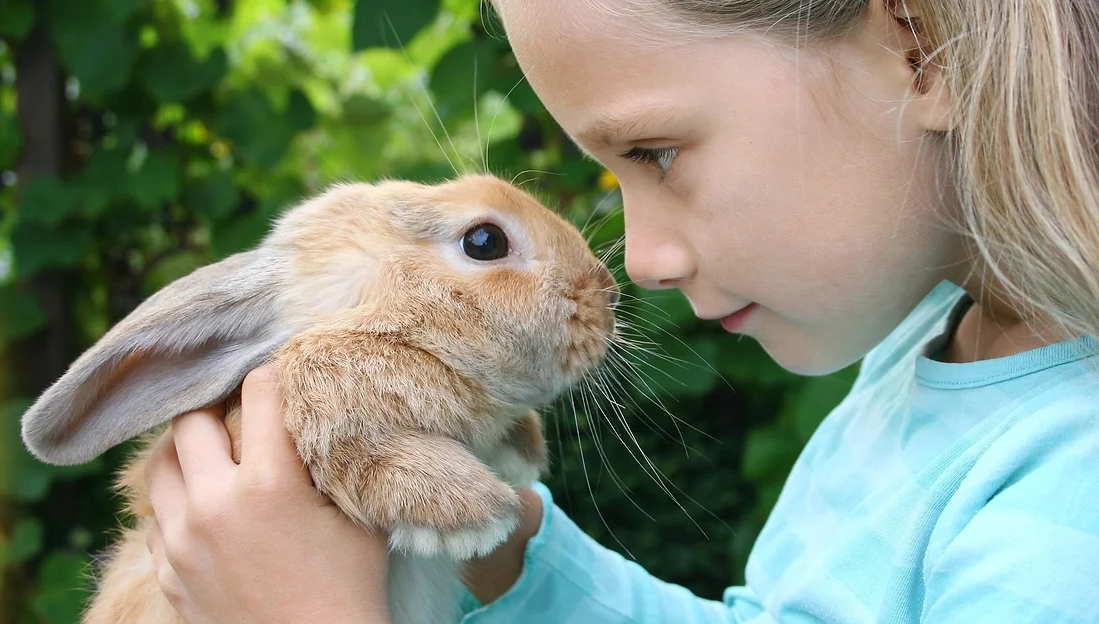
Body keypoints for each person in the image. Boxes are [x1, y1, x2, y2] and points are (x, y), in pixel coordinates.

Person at [141, 0, 1099, 622]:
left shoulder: (1068, 503)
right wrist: (509, 557)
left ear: (916, 48)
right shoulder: (927, 352)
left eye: (655, 154)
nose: (641, 262)